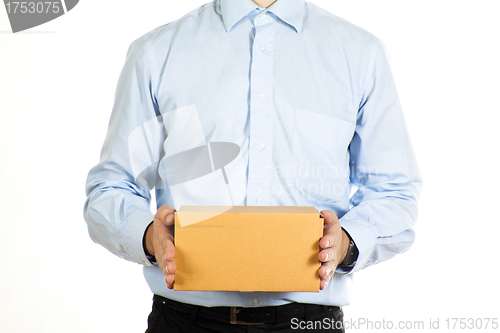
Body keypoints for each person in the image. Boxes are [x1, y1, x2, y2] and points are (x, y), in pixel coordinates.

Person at [84, 0, 422, 331]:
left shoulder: (360, 55)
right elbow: (111, 187)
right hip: (184, 321)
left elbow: (395, 192)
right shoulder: (156, 53)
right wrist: (148, 237)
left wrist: (346, 244)